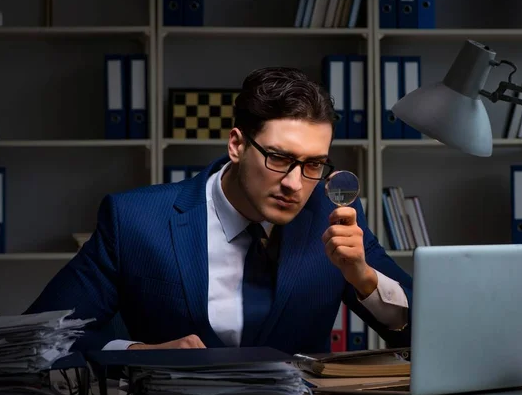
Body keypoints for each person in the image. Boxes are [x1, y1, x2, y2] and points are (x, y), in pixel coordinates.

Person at [24, 66, 413, 355]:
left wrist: (363, 278)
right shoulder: (135, 220)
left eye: (314, 164)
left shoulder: (332, 214)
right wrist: (138, 352)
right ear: (236, 145)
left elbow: (419, 331)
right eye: (279, 158)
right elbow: (39, 336)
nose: (296, 184)